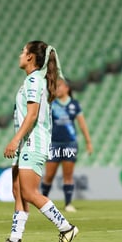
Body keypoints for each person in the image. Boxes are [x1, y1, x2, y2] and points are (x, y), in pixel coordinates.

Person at [0, 41, 78, 242]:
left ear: (31, 57)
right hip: (27, 142)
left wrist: (15, 140)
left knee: (30, 192)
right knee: (18, 190)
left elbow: (32, 115)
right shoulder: (33, 80)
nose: (20, 55)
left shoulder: (34, 81)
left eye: (23, 51)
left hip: (33, 142)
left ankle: (66, 228)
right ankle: (15, 238)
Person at [41, 78, 93, 212]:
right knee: (49, 175)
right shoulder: (51, 103)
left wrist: (88, 142)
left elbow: (82, 123)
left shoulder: (74, 104)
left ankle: (68, 204)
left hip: (70, 144)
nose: (57, 89)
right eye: (55, 87)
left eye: (59, 86)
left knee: (68, 175)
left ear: (67, 88)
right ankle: (41, 202)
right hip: (54, 144)